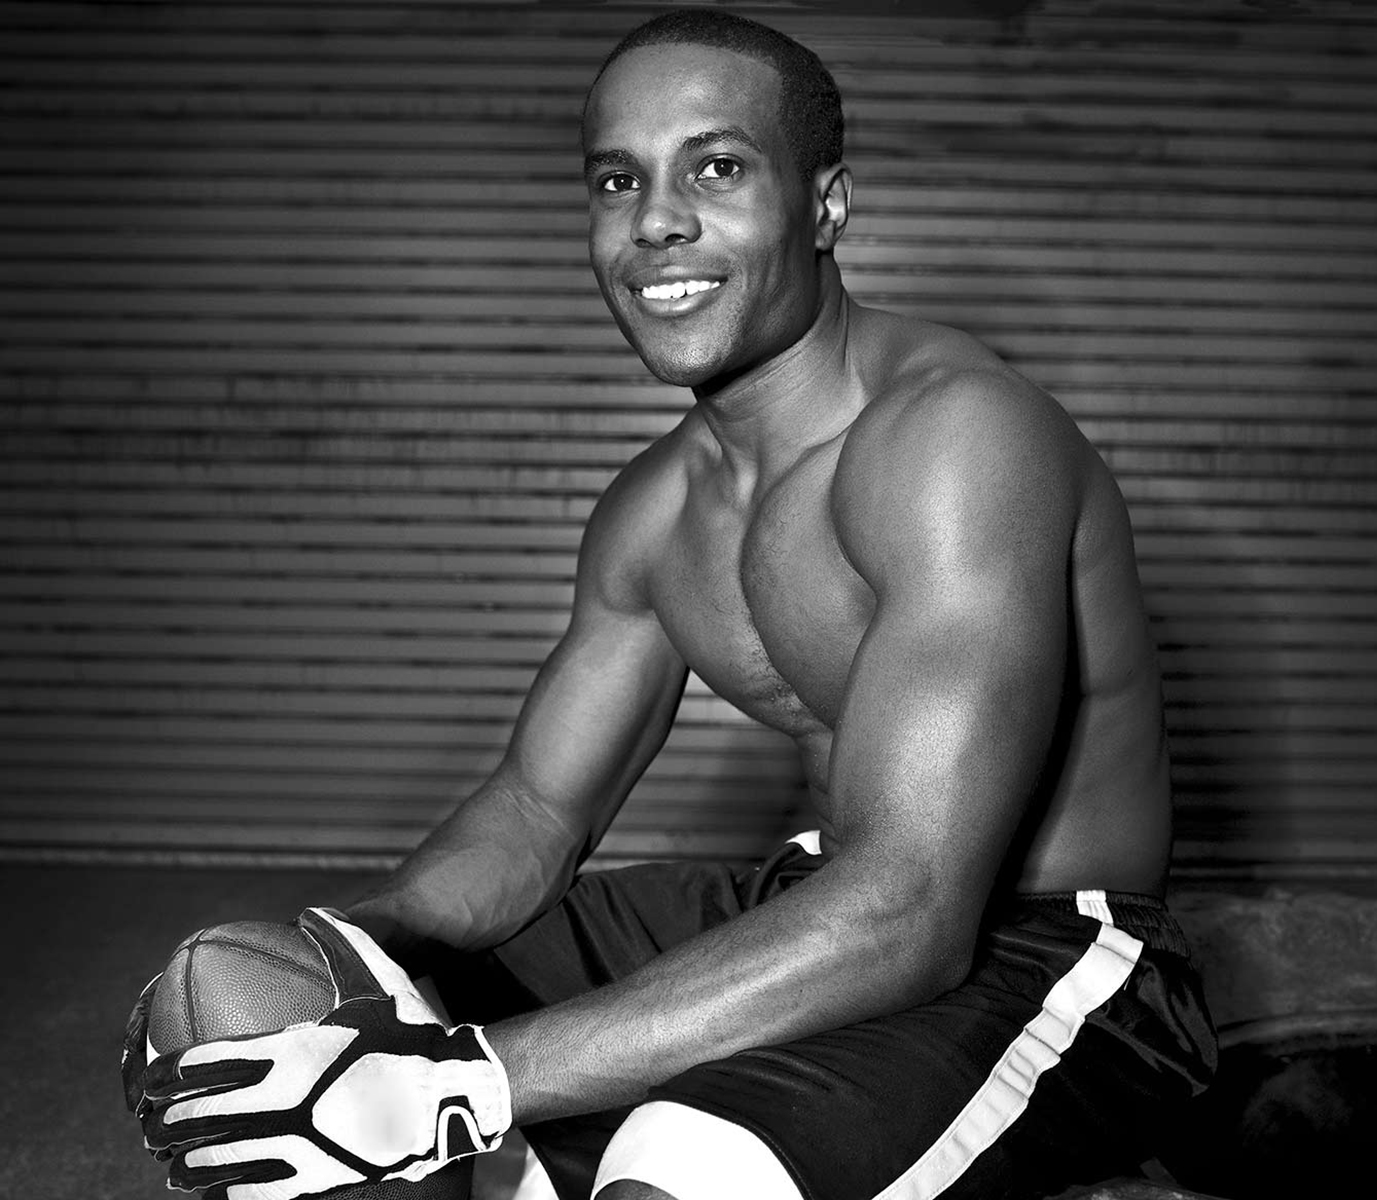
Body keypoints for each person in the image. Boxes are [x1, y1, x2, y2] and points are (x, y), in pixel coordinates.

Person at [125, 10, 1216, 1200]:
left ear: (826, 204)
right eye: (617, 179)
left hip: (1048, 946)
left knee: (677, 1167)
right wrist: (353, 944)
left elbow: (911, 906)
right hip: (812, 891)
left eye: (717, 166)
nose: (656, 220)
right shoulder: (653, 514)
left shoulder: (958, 436)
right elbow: (539, 811)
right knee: (258, 1002)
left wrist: (463, 1082)